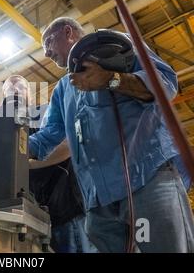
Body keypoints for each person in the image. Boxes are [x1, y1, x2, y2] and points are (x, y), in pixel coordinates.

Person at [29, 17, 194, 252]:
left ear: (68, 32)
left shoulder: (117, 47)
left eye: (48, 42)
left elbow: (165, 84)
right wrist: (13, 147)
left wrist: (112, 80)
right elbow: (48, 137)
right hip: (99, 206)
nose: (46, 53)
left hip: (146, 182)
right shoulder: (63, 89)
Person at [3, 75, 97, 253]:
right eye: (9, 90)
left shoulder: (46, 116)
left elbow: (68, 144)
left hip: (67, 211)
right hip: (33, 221)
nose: (15, 92)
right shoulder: (3, 131)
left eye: (20, 88)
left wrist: (24, 162)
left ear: (30, 95)